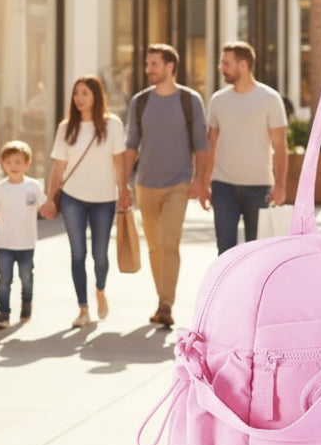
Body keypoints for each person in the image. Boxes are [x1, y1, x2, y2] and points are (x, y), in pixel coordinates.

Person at [124, 44, 208, 328]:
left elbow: (201, 145)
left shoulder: (190, 100)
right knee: (154, 247)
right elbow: (130, 146)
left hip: (178, 182)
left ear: (170, 66)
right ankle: (161, 298)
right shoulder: (140, 102)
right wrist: (123, 184)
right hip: (145, 184)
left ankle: (165, 303)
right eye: (147, 64)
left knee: (170, 242)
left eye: (154, 64)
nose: (149, 69)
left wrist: (200, 180)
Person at [47, 76, 130, 329]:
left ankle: (100, 290)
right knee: (78, 254)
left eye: (85, 93)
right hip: (73, 198)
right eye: (76, 94)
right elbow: (58, 167)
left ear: (96, 95)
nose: (79, 98)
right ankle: (83, 309)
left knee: (100, 255)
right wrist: (50, 198)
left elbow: (119, 161)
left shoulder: (112, 124)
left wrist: (123, 189)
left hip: (104, 198)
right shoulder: (66, 128)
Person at [200, 41, 288, 254]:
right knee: (225, 249)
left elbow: (280, 146)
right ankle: (227, 289)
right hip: (223, 187)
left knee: (256, 250)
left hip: (259, 187)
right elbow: (210, 145)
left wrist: (280, 186)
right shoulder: (218, 100)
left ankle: (252, 289)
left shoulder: (270, 99)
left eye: (226, 63)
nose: (221, 68)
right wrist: (204, 184)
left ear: (243, 65)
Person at [0, 141, 49, 330]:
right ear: (3, 164)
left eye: (18, 162)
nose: (14, 166)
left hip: (26, 242)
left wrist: (51, 207)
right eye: (9, 162)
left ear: (27, 165)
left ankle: (26, 304)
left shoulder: (33, 186)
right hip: (4, 242)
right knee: (4, 279)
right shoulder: (0, 188)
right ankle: (3, 314)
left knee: (26, 277)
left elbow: (43, 206)